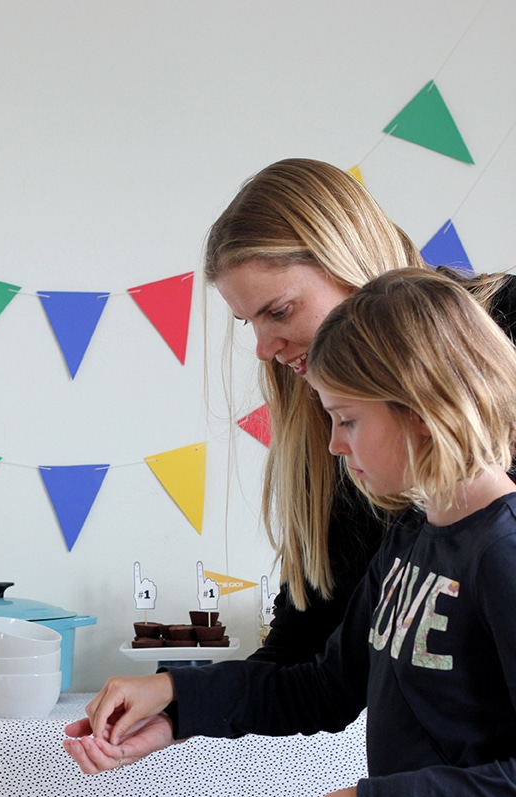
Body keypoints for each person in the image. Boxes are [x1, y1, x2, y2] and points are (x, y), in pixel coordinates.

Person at [65, 269, 516, 797]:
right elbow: (320, 687)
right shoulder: (411, 539)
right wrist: (175, 702)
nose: (335, 446)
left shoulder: (502, 558)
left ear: (421, 413)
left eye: (346, 420)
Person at [203, 158, 516, 666]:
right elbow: (313, 658)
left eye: (279, 311)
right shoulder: (338, 438)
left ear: (348, 262)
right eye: (247, 323)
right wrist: (180, 699)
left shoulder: (506, 327)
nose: (264, 348)